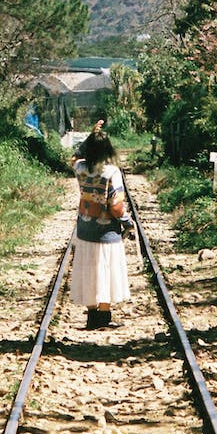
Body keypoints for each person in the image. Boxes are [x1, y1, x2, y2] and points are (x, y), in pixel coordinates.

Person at [69, 120, 133, 329]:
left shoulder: (80, 169)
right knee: (106, 270)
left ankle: (91, 315)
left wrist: (90, 135)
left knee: (89, 270)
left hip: (86, 230)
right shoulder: (111, 172)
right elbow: (115, 205)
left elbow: (75, 157)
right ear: (108, 149)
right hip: (107, 233)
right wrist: (127, 222)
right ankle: (104, 316)